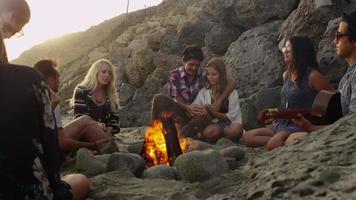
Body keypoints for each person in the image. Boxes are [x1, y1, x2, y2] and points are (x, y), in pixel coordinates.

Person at [0, 0, 89, 199]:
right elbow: (51, 149)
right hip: (27, 192)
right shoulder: (30, 80)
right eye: (18, 28)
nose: (14, 33)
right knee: (80, 180)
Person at [242, 36, 333, 151]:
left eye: (289, 49)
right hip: (283, 123)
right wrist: (274, 114)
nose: (284, 51)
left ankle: (284, 140)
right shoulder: (286, 75)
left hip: (300, 123)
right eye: (284, 48)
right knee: (247, 137)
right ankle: (284, 140)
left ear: (300, 51)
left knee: (273, 144)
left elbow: (332, 101)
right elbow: (286, 104)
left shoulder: (313, 76)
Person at [287, 10, 356, 143]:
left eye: (339, 35)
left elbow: (352, 123)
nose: (334, 40)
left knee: (293, 139)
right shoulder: (348, 76)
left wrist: (312, 128)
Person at [151, 45, 237, 137]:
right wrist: (188, 107)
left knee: (207, 112)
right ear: (184, 61)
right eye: (191, 65)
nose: (194, 68)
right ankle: (156, 133)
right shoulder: (175, 75)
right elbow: (176, 98)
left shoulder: (204, 73)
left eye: (197, 65)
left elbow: (232, 82)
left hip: (199, 115)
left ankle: (184, 135)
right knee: (158, 99)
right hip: (181, 112)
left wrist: (219, 101)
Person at [34, 59, 113, 152]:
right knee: (85, 120)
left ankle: (113, 147)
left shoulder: (31, 97)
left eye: (109, 73)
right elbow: (62, 143)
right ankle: (115, 149)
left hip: (38, 149)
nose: (60, 81)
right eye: (58, 77)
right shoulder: (52, 100)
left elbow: (114, 119)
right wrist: (93, 145)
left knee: (87, 122)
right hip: (44, 152)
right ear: (51, 80)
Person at [70, 59, 122, 145]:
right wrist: (96, 124)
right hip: (85, 137)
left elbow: (114, 120)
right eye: (103, 72)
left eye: (109, 73)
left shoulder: (111, 95)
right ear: (95, 72)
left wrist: (108, 131)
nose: (107, 75)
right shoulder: (82, 90)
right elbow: (80, 117)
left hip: (106, 136)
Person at [192, 58, 243, 142]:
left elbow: (232, 117)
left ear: (221, 75)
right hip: (211, 124)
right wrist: (202, 109)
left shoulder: (232, 93)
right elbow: (195, 107)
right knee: (212, 131)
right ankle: (214, 137)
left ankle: (221, 140)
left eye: (214, 74)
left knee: (237, 129)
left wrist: (214, 113)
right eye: (208, 74)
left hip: (227, 124)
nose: (210, 78)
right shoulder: (204, 91)